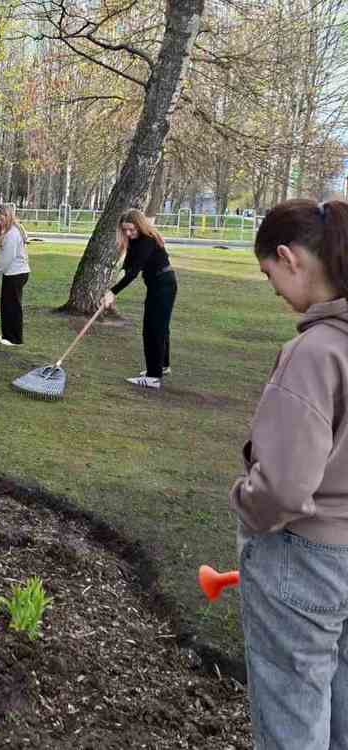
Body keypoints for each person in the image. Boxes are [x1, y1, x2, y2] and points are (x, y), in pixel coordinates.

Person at [229, 199, 348, 750]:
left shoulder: (315, 353)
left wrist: (244, 501)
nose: (273, 288)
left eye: (268, 273)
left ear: (288, 257)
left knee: (293, 715)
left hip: (306, 560)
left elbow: (281, 487)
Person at [100, 208, 177, 389]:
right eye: (125, 229)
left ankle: (153, 377)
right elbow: (127, 267)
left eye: (131, 229)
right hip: (158, 285)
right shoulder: (134, 241)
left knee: (153, 329)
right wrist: (112, 289)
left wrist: (113, 292)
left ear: (140, 226)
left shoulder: (147, 241)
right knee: (159, 326)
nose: (128, 233)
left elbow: (133, 273)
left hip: (164, 285)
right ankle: (162, 366)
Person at [0, 204, 30, 346]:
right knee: (7, 304)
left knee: (12, 306)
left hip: (16, 274)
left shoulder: (12, 233)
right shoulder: (13, 230)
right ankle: (7, 335)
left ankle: (14, 339)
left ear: (8, 217)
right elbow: (4, 256)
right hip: (15, 273)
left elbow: (7, 257)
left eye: (1, 219)